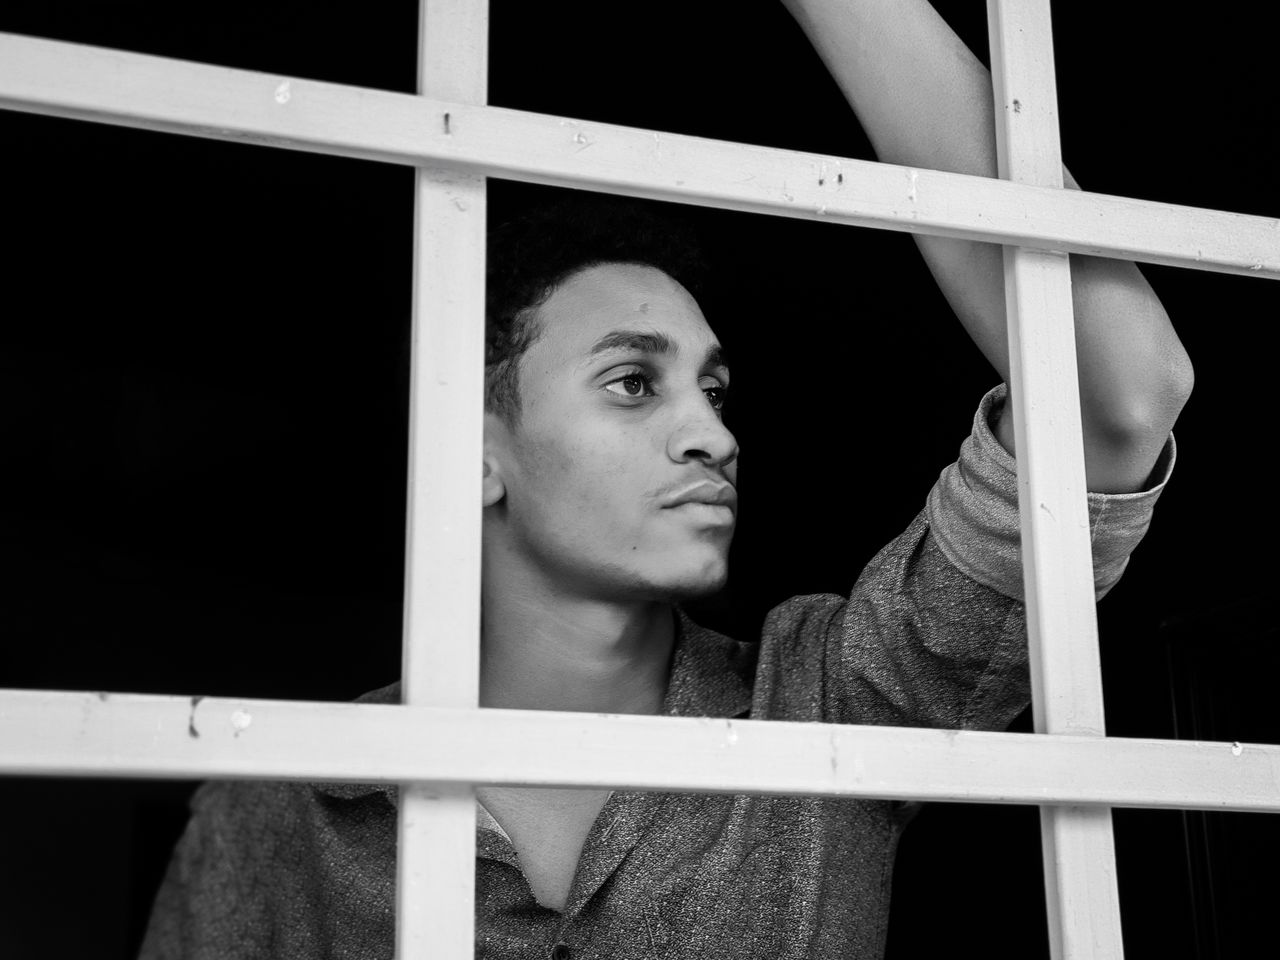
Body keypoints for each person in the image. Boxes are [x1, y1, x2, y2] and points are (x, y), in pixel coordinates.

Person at [139, 1, 1193, 957]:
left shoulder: (826, 707)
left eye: (715, 391)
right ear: (476, 449)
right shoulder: (278, 813)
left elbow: (1118, 396)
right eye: (634, 383)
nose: (712, 436)